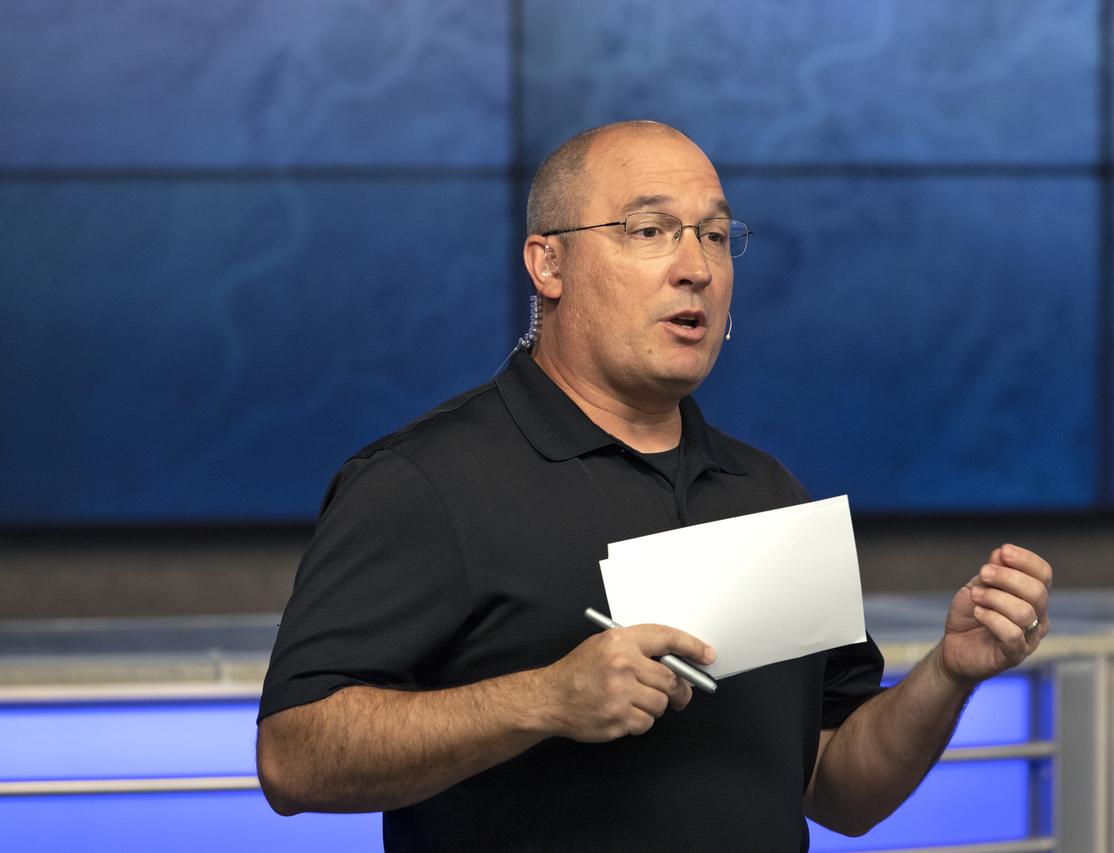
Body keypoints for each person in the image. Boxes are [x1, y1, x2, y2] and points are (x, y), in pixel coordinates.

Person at [256, 120, 1053, 851]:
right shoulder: (423, 481)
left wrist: (949, 672)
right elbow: (293, 756)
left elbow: (840, 786)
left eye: (715, 236)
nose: (696, 268)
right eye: (649, 231)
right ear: (548, 264)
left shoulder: (767, 492)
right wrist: (547, 698)